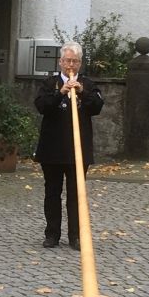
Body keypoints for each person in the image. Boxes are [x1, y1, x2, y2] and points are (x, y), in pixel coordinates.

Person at [34, 41, 103, 250]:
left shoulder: (88, 84)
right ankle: (52, 234)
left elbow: (97, 107)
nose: (70, 65)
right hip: (52, 148)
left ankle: (76, 236)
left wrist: (81, 91)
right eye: (67, 61)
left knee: (76, 194)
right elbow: (41, 106)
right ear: (60, 62)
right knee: (52, 193)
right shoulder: (49, 83)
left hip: (78, 150)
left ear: (80, 63)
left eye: (74, 61)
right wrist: (61, 92)